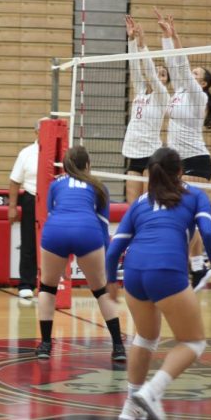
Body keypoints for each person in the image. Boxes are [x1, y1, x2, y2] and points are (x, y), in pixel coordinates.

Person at [105, 147, 211, 420]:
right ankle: (151, 392)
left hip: (134, 273)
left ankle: (130, 409)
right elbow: (207, 231)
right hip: (166, 269)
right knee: (194, 342)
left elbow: (114, 249)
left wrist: (111, 279)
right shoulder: (195, 195)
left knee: (145, 338)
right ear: (181, 172)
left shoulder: (139, 203)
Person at [34, 146, 126, 362]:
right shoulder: (99, 187)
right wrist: (105, 261)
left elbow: (51, 215)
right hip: (88, 231)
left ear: (65, 166)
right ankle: (119, 347)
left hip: (55, 231)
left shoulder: (55, 185)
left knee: (47, 287)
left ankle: (46, 344)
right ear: (88, 165)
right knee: (101, 290)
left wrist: (61, 258)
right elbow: (103, 227)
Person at [157, 10, 211, 292]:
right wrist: (167, 35)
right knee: (180, 213)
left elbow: (181, 66)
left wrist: (174, 37)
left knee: (191, 215)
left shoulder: (198, 96)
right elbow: (176, 64)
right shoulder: (180, 92)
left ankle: (197, 269)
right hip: (178, 163)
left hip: (196, 161)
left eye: (198, 74)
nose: (191, 73)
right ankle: (194, 269)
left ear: (204, 83)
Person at [122, 14, 169, 204]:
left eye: (163, 74)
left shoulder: (162, 95)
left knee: (147, 204)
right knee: (132, 206)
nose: (159, 74)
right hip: (134, 151)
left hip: (151, 154)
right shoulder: (141, 90)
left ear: (165, 81)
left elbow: (149, 72)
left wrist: (143, 45)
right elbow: (135, 67)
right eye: (158, 71)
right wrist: (131, 40)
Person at [9, 119, 43, 299]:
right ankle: (26, 283)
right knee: (28, 241)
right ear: (36, 132)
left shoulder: (60, 153)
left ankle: (47, 283)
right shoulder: (26, 153)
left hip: (51, 201)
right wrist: (12, 207)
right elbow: (14, 181)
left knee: (51, 243)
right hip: (31, 198)